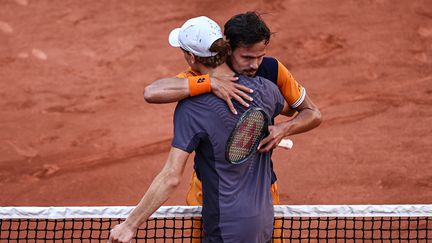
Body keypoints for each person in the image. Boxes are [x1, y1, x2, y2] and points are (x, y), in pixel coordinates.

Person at [109, 16, 290, 243]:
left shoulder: (192, 108)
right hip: (263, 226)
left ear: (191, 57)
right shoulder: (268, 91)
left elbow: (171, 178)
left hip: (224, 229)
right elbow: (290, 109)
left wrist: (130, 224)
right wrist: (282, 128)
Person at [143, 11, 321, 214]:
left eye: (259, 57)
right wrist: (210, 83)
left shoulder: (272, 70)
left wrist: (284, 128)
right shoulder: (202, 72)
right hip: (207, 191)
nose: (254, 65)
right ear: (228, 49)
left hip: (261, 190)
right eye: (246, 57)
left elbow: (312, 112)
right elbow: (153, 92)